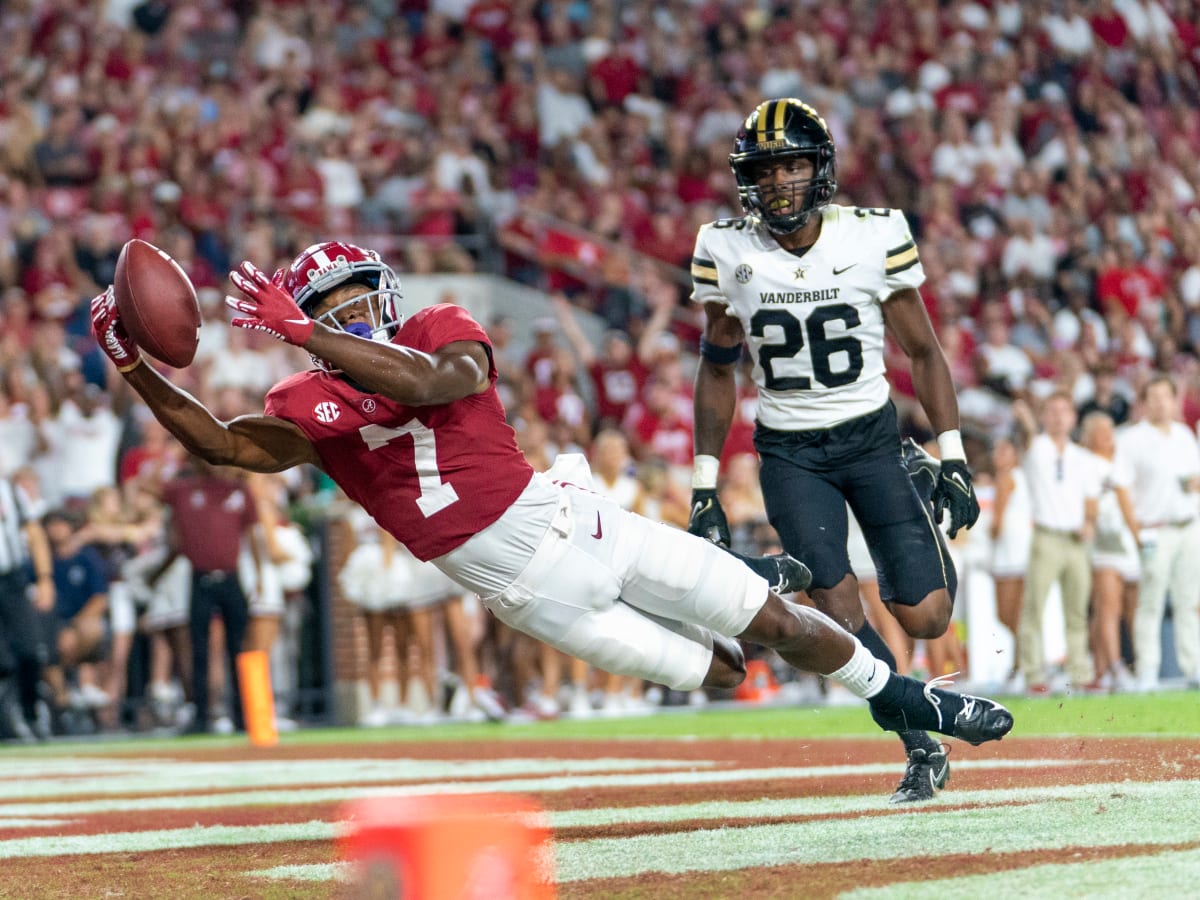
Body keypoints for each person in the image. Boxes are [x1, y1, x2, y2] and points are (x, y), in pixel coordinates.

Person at [89, 240, 1012, 762]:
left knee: (770, 620)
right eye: (329, 311)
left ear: (388, 294)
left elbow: (430, 382)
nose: (351, 317)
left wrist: (306, 335)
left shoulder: (440, 331)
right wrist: (133, 366)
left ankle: (912, 700)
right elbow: (220, 443)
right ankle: (747, 578)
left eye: (359, 298)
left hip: (571, 518)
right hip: (525, 589)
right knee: (725, 674)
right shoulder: (307, 404)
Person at [686, 98, 982, 802]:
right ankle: (919, 740)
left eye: (793, 164)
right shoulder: (726, 249)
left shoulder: (871, 236)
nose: (782, 181)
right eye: (767, 169)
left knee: (927, 615)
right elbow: (719, 367)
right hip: (791, 451)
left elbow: (924, 350)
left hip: (874, 438)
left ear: (820, 170)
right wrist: (703, 483)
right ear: (747, 179)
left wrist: (953, 454)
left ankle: (913, 490)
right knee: (838, 613)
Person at [1114, 374, 1200, 690]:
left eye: (1166, 396)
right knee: (1150, 601)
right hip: (1155, 529)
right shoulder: (1132, 439)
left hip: (1188, 525)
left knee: (1189, 601)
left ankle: (1193, 667)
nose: (1161, 402)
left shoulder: (1184, 434)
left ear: (1175, 400)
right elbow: (1121, 487)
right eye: (1154, 397)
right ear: (1145, 402)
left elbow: (1195, 479)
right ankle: (1147, 669)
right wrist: (1135, 531)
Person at [1013, 393, 1101, 693]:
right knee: (1034, 606)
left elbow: (1091, 500)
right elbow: (1026, 435)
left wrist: (1089, 523)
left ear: (1074, 417)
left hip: (1076, 539)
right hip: (1047, 535)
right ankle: (1034, 674)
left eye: (1064, 411)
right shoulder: (1036, 447)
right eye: (1052, 411)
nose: (1059, 417)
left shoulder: (1083, 457)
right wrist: (1025, 418)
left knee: (1077, 610)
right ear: (1044, 417)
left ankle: (1079, 671)